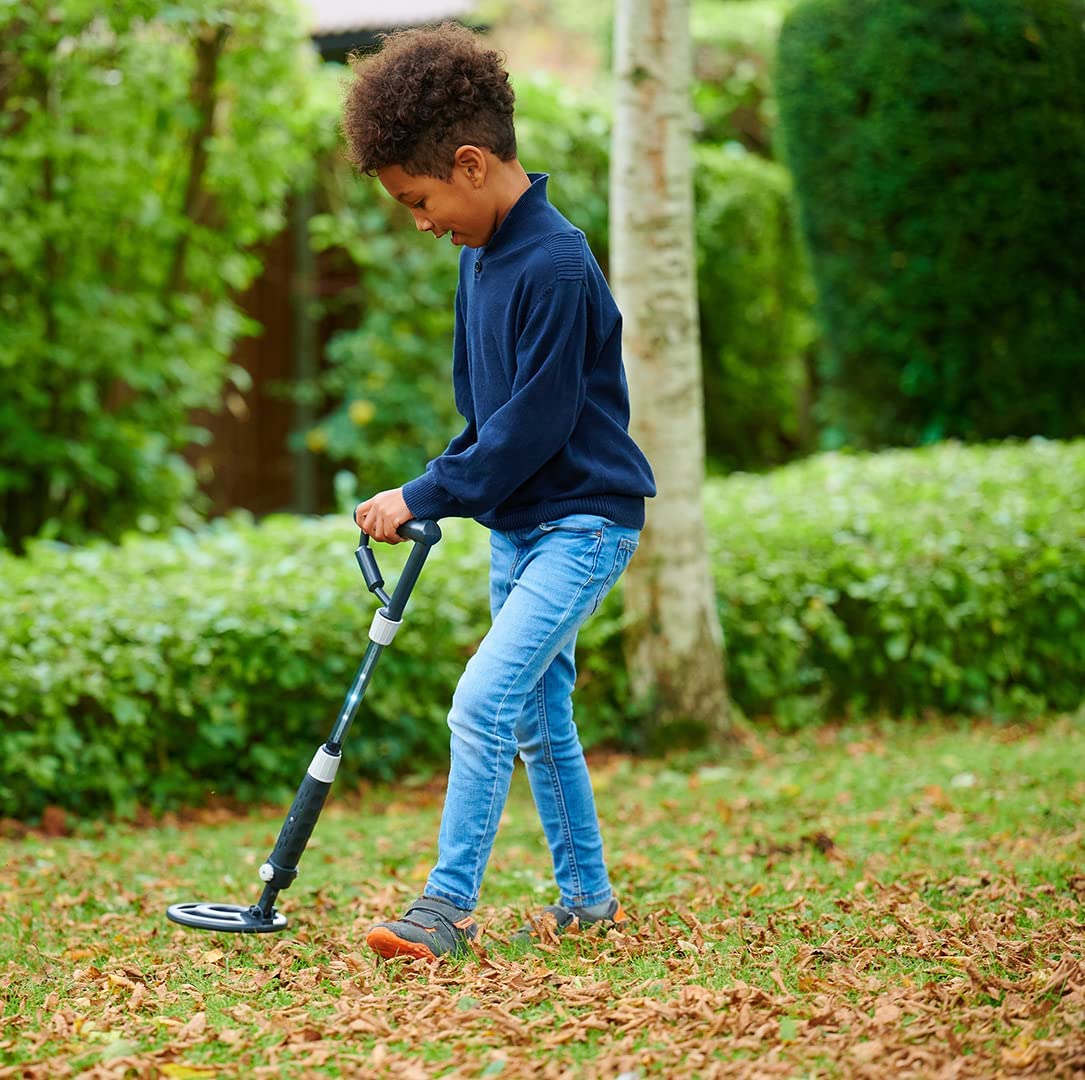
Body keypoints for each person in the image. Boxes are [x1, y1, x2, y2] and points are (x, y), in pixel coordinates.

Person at [343, 22, 656, 960]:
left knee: (481, 700)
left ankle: (444, 907)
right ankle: (587, 899)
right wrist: (424, 487)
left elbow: (535, 427)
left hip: (584, 523)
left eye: (419, 198)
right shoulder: (479, 260)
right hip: (522, 527)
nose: (419, 220)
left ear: (471, 164)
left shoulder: (557, 265)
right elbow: (485, 419)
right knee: (532, 712)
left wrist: (427, 494)